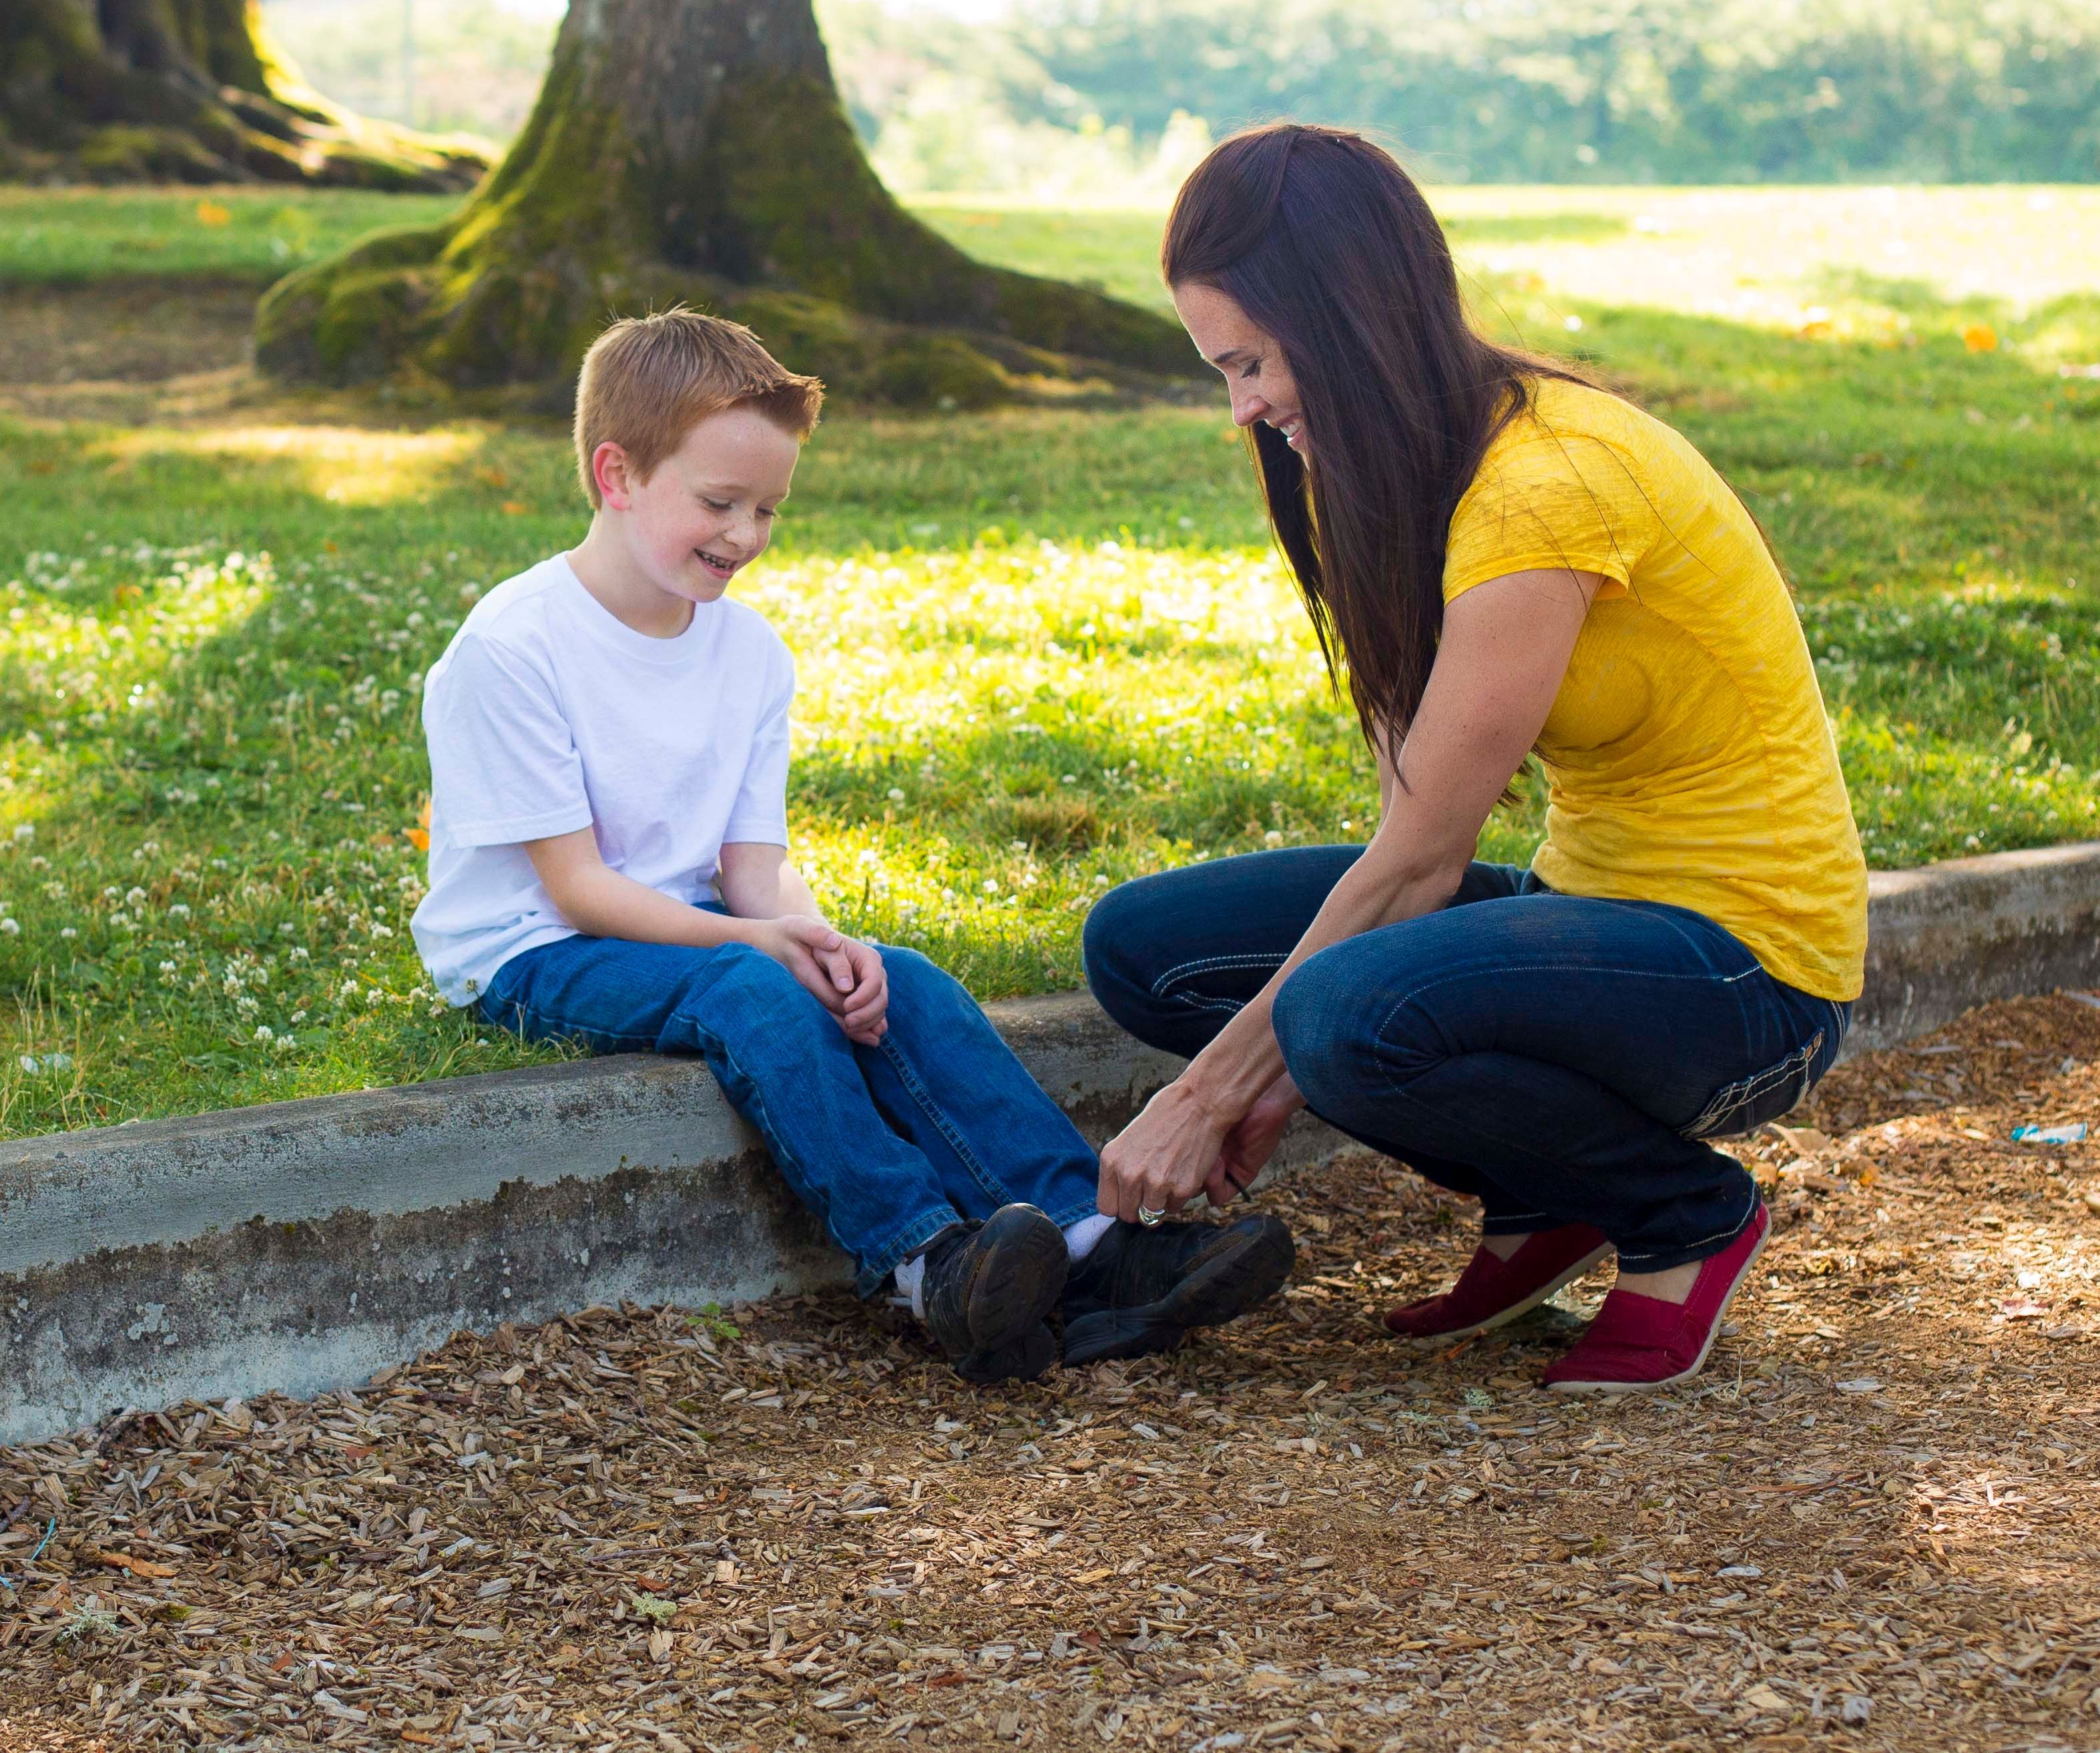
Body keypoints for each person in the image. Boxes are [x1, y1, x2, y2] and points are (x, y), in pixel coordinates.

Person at [1083, 125, 1864, 1397]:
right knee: (1148, 950)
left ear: (1341, 317)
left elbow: (1424, 862)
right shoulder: (1376, 468)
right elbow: (1410, 821)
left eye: (1253, 363)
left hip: (1749, 973)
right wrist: (1263, 1055)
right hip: (1594, 917)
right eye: (1222, 371)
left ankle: (1683, 1214)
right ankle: (1550, 1191)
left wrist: (1219, 1087)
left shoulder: (1550, 480)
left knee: (1343, 1012)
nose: (1245, 407)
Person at [414, 310, 1290, 1383]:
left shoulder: (747, 652)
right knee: (751, 988)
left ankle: (1087, 1244)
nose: (745, 535)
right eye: (719, 503)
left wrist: (815, 937)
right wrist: (762, 947)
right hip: (534, 947)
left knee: (899, 981)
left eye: (769, 509)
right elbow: (581, 890)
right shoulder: (515, 647)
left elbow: (750, 865)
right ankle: (929, 1263)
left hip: (692, 927)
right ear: (617, 474)